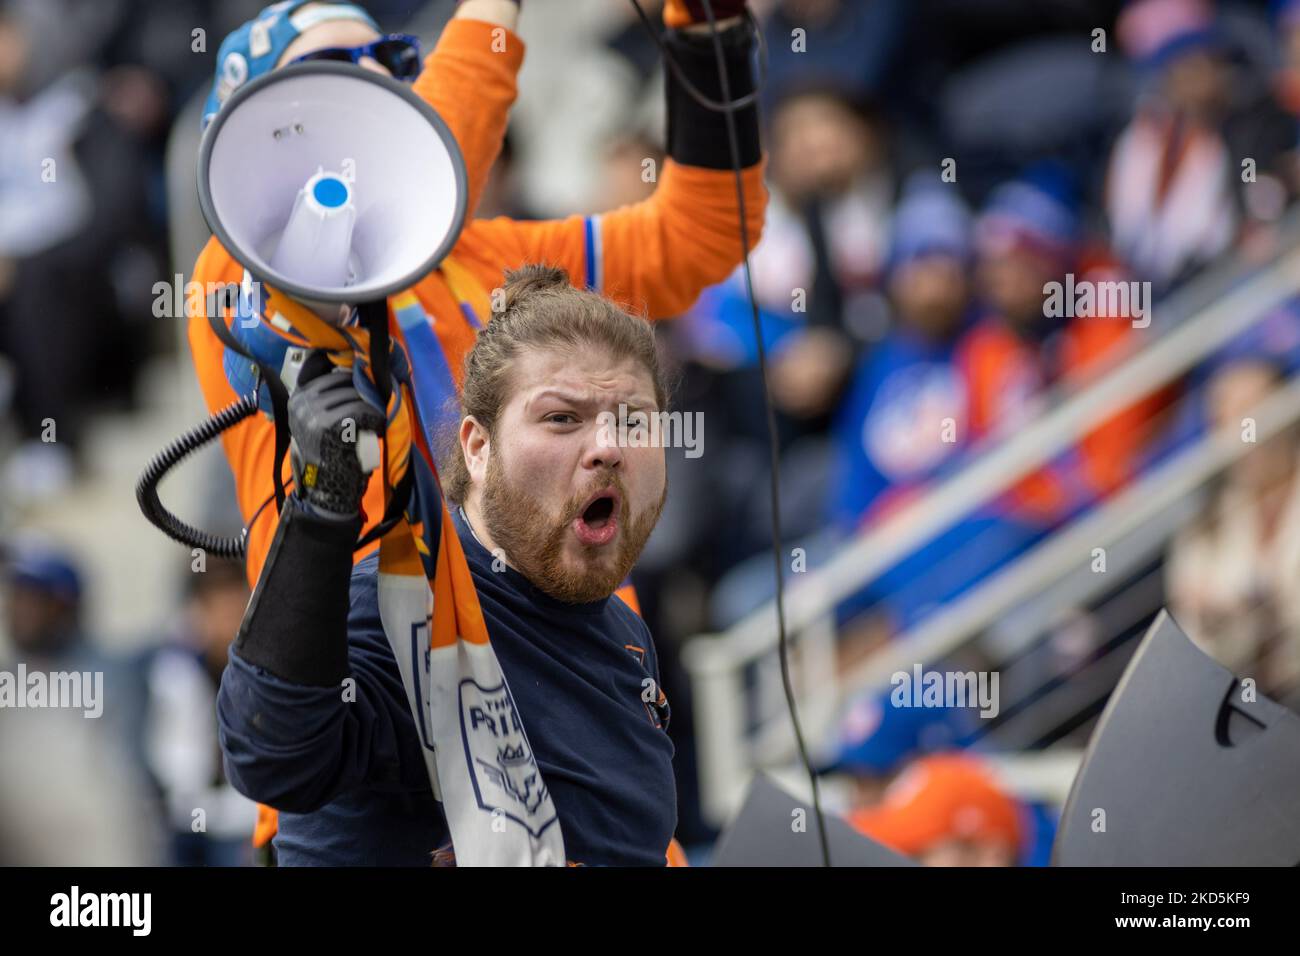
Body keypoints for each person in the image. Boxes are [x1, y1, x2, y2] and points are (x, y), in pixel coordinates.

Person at [187, 0, 766, 590]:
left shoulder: (486, 256)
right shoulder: (233, 270)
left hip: (567, 656)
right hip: (365, 663)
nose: (383, 79)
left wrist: (707, 37)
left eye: (390, 58)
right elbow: (390, 180)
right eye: (334, 65)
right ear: (248, 133)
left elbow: (701, 234)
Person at [218, 266, 677, 866]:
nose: (609, 447)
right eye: (562, 418)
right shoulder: (399, 609)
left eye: (635, 421)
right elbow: (270, 755)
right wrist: (320, 507)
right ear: (478, 448)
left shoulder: (626, 634)